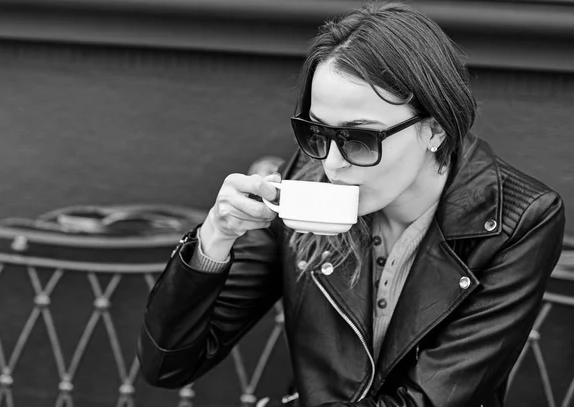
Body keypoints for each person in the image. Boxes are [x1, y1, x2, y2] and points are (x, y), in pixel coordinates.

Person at [136, 1, 566, 406]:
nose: (333, 164)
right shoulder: (303, 177)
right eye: (317, 132)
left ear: (435, 130)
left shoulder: (518, 219)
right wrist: (215, 237)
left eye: (361, 139)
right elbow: (170, 364)